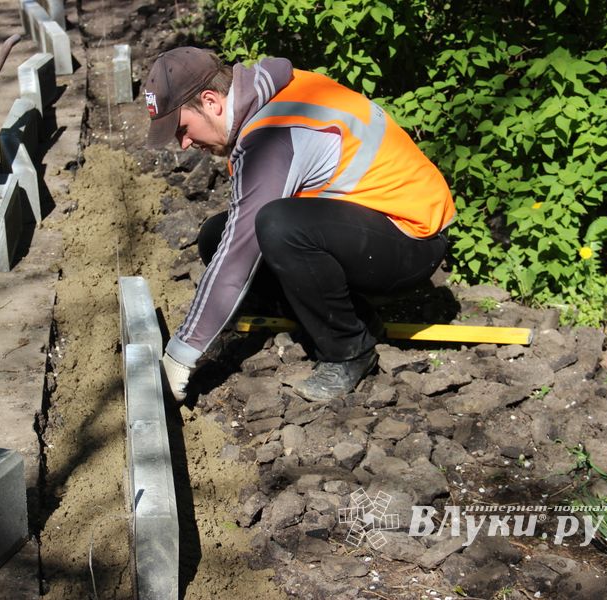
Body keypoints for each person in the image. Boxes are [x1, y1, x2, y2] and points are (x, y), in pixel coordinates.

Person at [144, 47, 455, 403]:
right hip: (369, 230)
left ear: (211, 101)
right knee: (216, 235)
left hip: (412, 238)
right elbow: (233, 240)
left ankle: (349, 351)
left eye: (183, 128)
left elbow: (239, 254)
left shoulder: (273, 135)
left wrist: (182, 353)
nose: (184, 144)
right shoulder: (269, 98)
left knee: (277, 226)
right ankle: (348, 317)